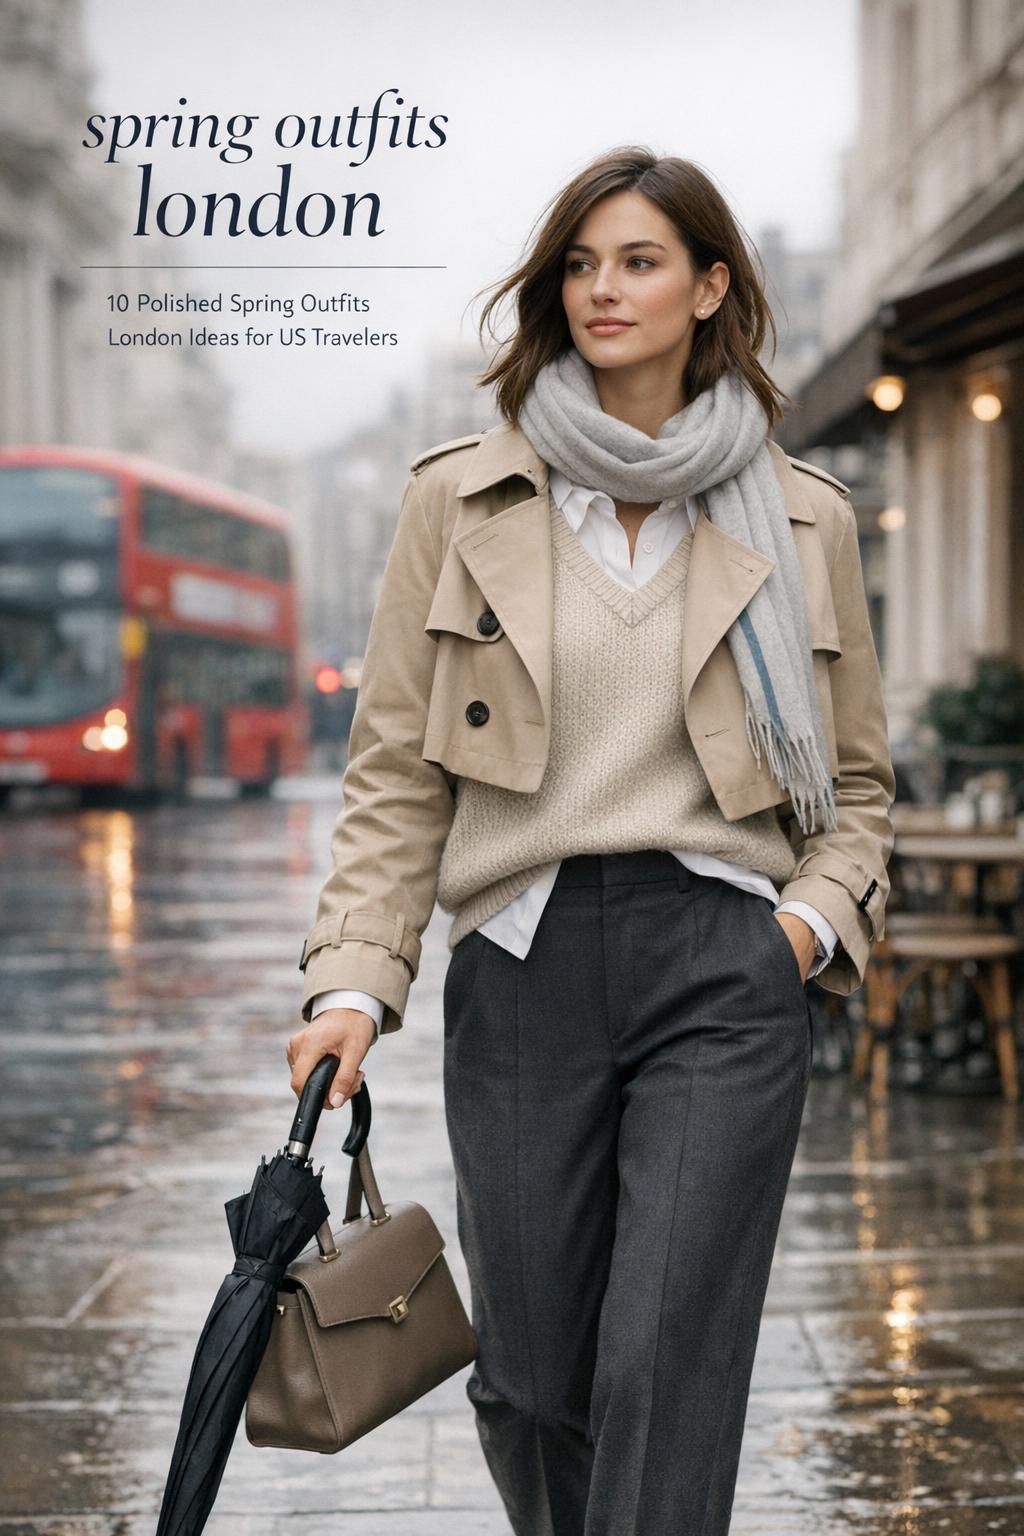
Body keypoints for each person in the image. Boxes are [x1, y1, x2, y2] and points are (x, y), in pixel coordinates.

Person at [286, 145, 895, 1536]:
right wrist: (349, 984)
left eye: (638, 260)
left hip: (720, 963)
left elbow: (858, 786)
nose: (602, 289)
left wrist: (795, 931)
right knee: (530, 1380)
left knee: (666, 1360)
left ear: (710, 286)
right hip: (523, 963)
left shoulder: (806, 520)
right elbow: (394, 772)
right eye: (579, 262)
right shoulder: (461, 502)